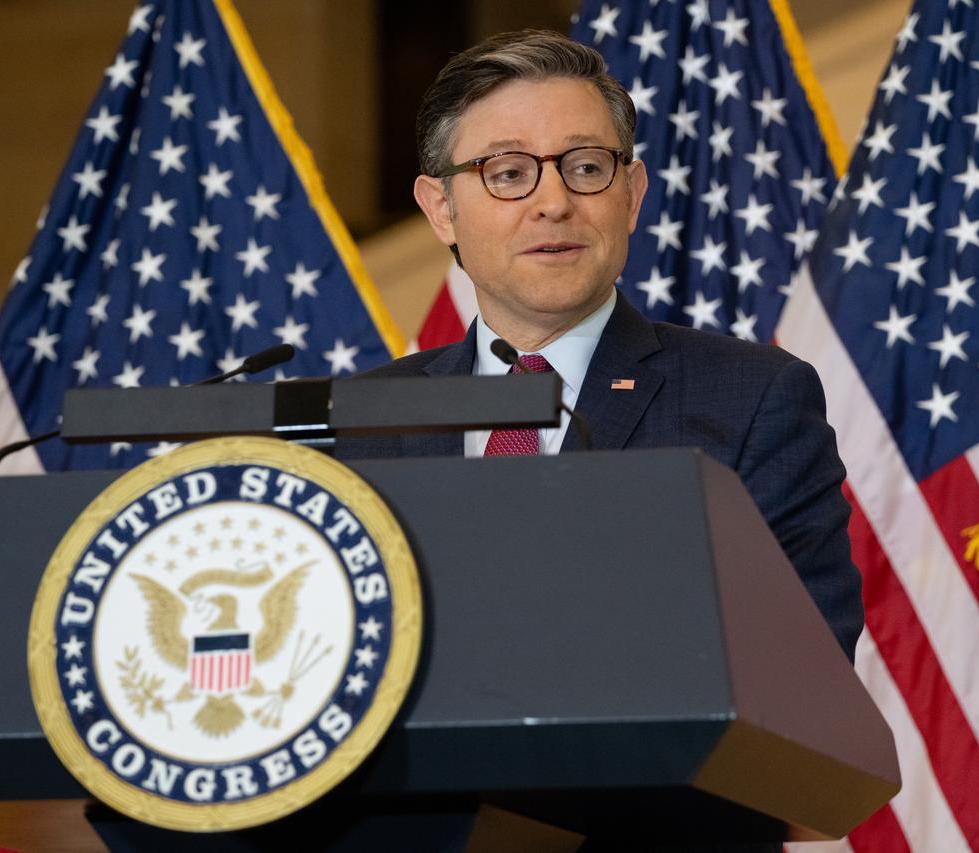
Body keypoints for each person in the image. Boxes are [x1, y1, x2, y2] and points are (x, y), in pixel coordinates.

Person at [338, 29, 862, 661]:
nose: (554, 203)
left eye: (586, 167)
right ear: (441, 208)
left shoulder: (753, 400)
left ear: (632, 194)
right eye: (508, 174)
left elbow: (799, 667)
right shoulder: (359, 423)